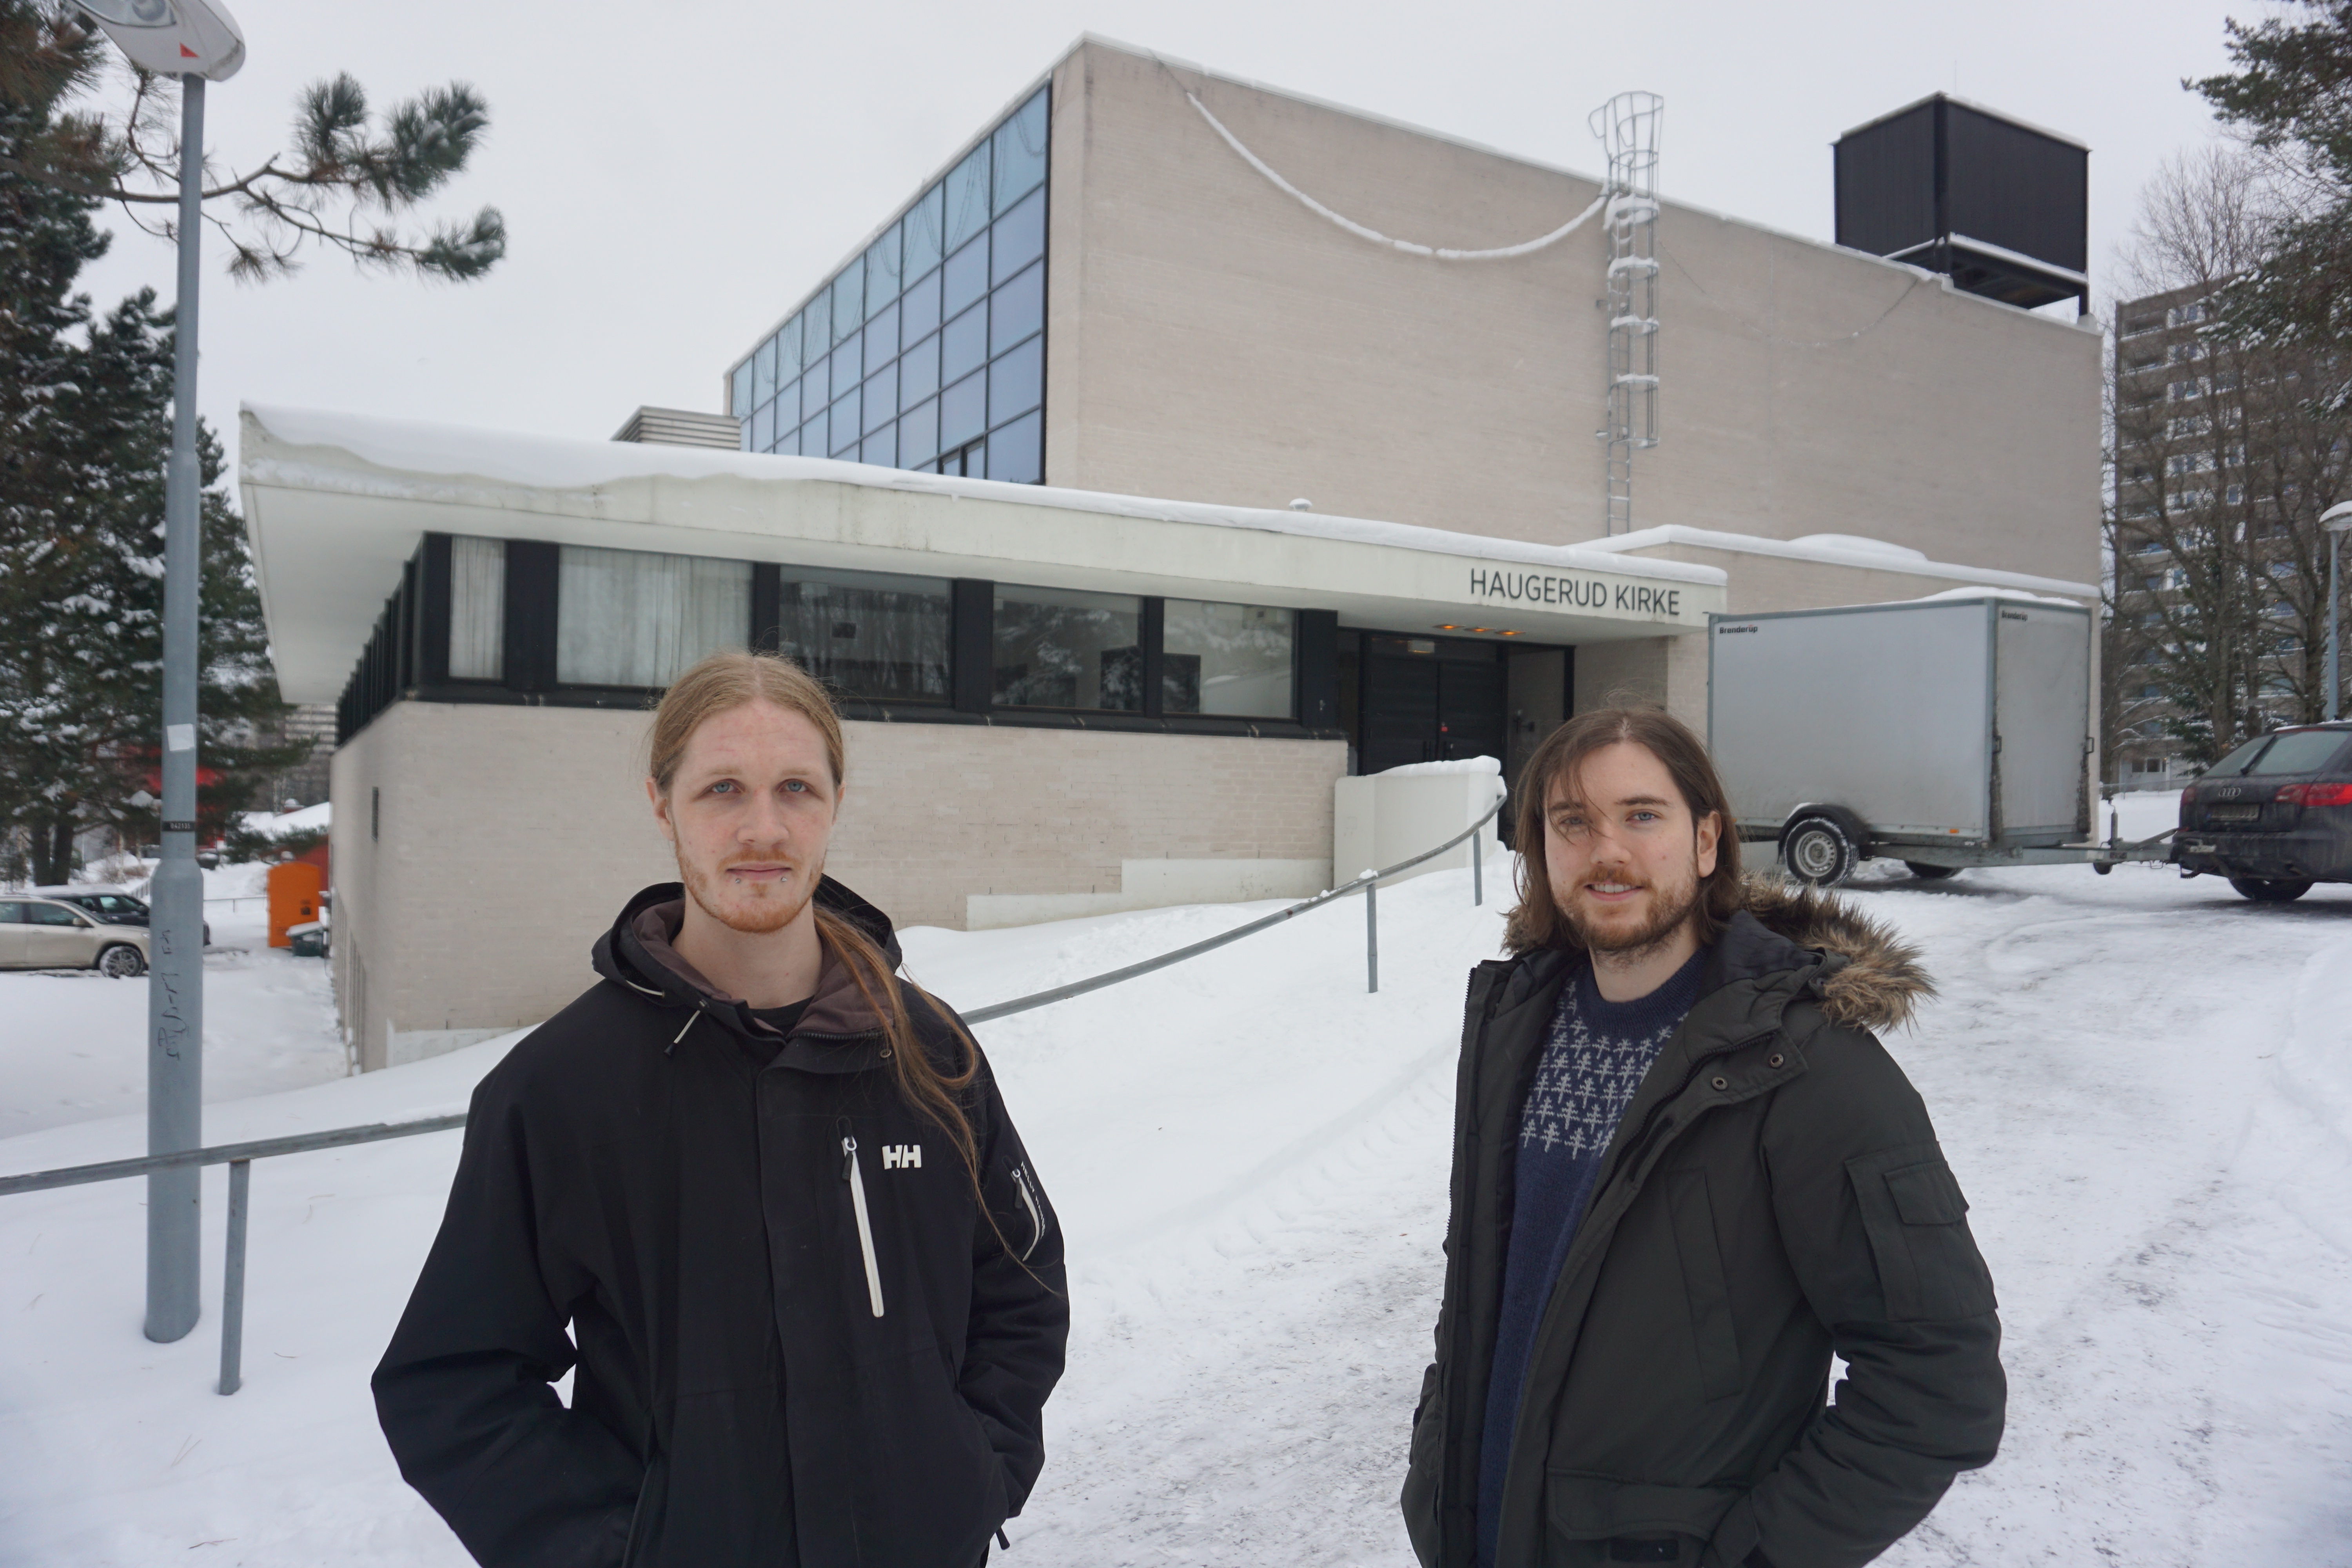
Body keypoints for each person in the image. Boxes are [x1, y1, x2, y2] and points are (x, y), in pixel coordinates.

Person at [374, 651, 1068, 1568]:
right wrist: (614, 1550)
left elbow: (1023, 1283)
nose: (764, 827)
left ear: (837, 802)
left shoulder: (928, 1054)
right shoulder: (561, 1089)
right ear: (663, 804)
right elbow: (452, 1379)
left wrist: (972, 1474)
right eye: (723, 789)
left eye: (796, 788)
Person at [1400, 706, 2003, 1568]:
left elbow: (1939, 1382)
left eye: (1643, 815)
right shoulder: (1514, 1026)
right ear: (1541, 848)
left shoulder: (1807, 1063)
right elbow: (1486, 1282)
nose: (1608, 850)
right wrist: (1437, 1458)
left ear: (1708, 839)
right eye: (1573, 821)